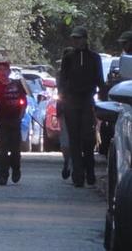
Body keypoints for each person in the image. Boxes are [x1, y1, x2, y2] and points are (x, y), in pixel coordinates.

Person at [59, 26, 105, 188]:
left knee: (88, 138)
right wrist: (62, 98)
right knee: (74, 140)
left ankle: (90, 169)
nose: (76, 41)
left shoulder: (94, 58)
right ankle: (78, 175)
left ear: (85, 39)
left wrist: (103, 103)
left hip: (87, 100)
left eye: (79, 38)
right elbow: (62, 79)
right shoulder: (69, 58)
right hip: (71, 101)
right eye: (74, 38)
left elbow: (100, 80)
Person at [0, 61, 27, 186]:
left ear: (9, 72)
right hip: (2, 121)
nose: (3, 72)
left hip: (16, 120)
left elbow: (24, 101)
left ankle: (16, 170)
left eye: (5, 70)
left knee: (15, 149)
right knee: (3, 150)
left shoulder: (18, 85)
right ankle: (3, 175)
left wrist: (21, 115)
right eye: (0, 70)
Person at [56, 47, 73, 180]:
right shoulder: (61, 74)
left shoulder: (61, 73)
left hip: (74, 109)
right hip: (65, 109)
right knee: (66, 139)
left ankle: (70, 162)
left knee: (68, 139)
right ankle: (69, 162)